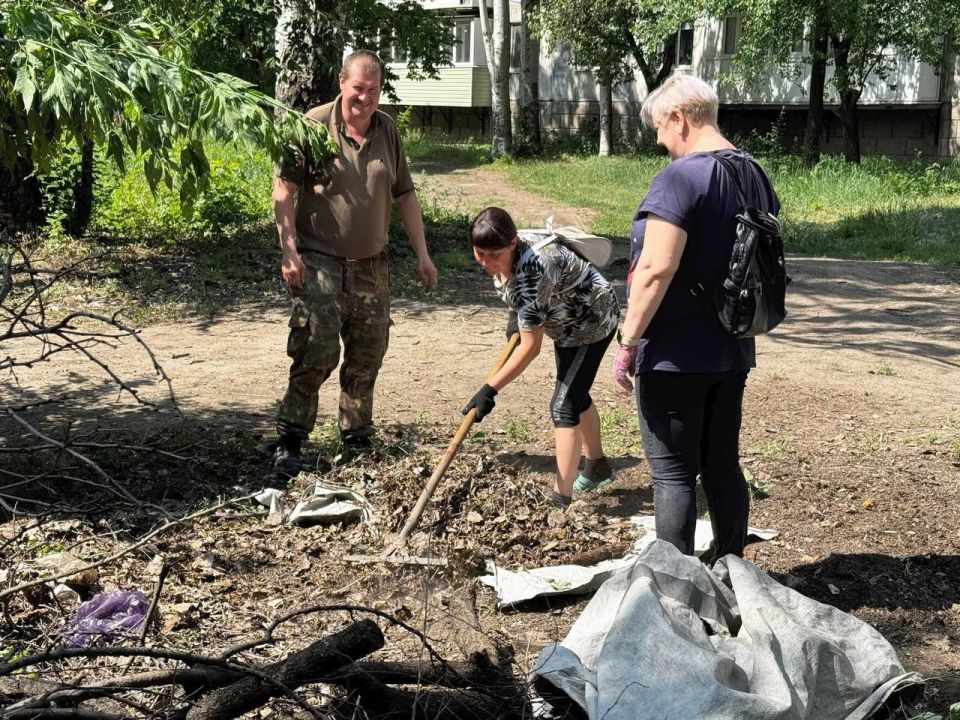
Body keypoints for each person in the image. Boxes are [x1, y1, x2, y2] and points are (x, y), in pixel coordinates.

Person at [612, 74, 780, 559]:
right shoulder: (752, 173)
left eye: (661, 133)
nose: (662, 145)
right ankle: (732, 566)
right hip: (732, 349)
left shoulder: (681, 177)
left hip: (674, 356)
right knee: (723, 465)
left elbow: (655, 268)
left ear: (679, 119)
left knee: (673, 474)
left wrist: (627, 341)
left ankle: (674, 588)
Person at [271, 50, 438, 478]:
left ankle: (357, 438)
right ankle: (291, 439)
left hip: (371, 265)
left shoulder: (387, 132)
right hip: (319, 260)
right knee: (315, 350)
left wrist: (422, 253)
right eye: (358, 88)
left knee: (367, 355)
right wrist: (288, 250)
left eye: (374, 89)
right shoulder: (312, 125)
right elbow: (284, 189)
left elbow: (405, 195)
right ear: (343, 83)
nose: (365, 97)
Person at [464, 207, 620, 508]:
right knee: (574, 393)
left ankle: (561, 499)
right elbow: (515, 289)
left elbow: (530, 348)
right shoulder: (512, 248)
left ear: (512, 243)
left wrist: (489, 389)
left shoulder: (535, 272)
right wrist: (516, 315)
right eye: (479, 252)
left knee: (563, 405)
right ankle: (597, 465)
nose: (485, 261)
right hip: (564, 321)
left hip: (591, 323)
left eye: (493, 254)